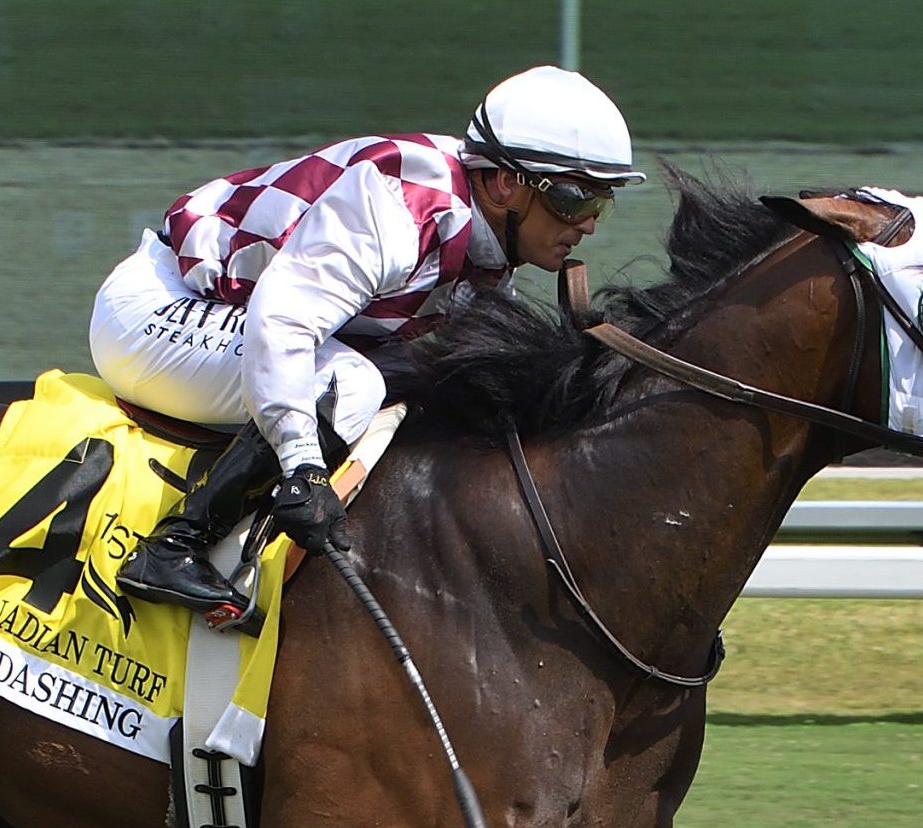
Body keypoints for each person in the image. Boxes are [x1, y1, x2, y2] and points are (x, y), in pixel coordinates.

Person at [90, 65, 645, 617]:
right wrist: (303, 469)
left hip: (226, 310)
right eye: (575, 199)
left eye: (602, 202)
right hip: (156, 308)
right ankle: (174, 545)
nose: (589, 223)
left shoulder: (483, 247)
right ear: (505, 183)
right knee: (350, 382)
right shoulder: (398, 206)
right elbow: (282, 323)